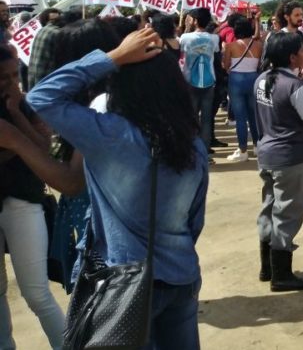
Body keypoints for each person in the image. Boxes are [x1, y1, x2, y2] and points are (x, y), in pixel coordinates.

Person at [26, 27, 209, 349]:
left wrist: (112, 57)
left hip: (126, 278)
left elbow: (42, 96)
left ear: (120, 86)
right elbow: (195, 219)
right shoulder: (193, 144)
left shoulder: (107, 136)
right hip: (181, 274)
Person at [0, 45, 66, 350]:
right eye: (3, 78)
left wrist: (16, 114)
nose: (12, 83)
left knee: (37, 293)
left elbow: (42, 150)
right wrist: (19, 147)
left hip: (23, 201)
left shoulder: (22, 104)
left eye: (15, 75)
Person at [254, 32, 303, 291]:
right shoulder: (295, 86)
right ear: (291, 56)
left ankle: (268, 267)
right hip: (288, 156)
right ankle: (282, 274)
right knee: (286, 214)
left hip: (266, 153)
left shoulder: (262, 79)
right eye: (301, 49)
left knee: (269, 208)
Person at [180, 8, 221, 156]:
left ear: (195, 21)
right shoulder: (214, 39)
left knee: (191, 118)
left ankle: (191, 150)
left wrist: (186, 26)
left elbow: (180, 48)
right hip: (209, 82)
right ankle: (204, 152)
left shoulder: (185, 37)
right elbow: (216, 52)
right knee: (206, 120)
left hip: (190, 81)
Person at [223, 16, 263, 162]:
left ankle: (242, 150)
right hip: (254, 79)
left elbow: (226, 65)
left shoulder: (231, 46)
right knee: (254, 116)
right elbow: (260, 65)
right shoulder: (259, 45)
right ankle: (257, 146)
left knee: (240, 118)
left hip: (236, 80)